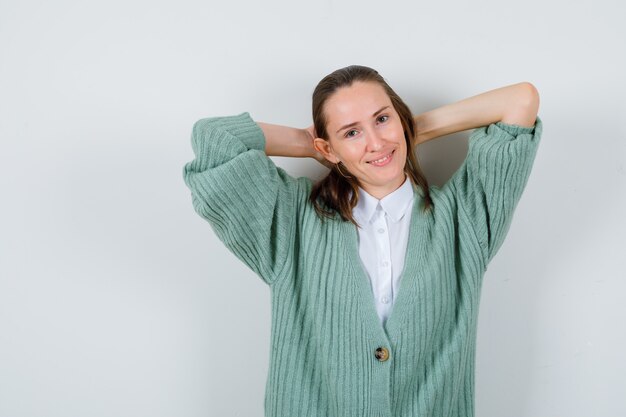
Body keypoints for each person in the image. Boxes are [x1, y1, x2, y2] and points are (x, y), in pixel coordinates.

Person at [182, 65, 542, 417]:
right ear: (330, 148)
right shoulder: (290, 219)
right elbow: (215, 139)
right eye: (351, 132)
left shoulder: (466, 217)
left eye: (382, 119)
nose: (376, 142)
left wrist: (408, 129)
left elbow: (520, 100)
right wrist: (309, 145)